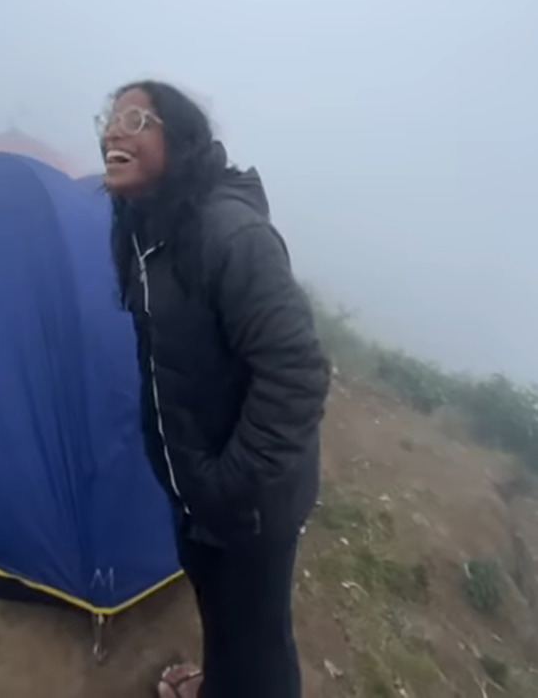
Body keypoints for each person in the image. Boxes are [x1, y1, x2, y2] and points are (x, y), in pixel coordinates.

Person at [98, 81, 330, 698]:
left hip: (247, 501)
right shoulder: (145, 229)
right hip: (197, 488)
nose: (112, 131)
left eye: (136, 118)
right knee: (223, 616)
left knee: (261, 643)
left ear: (180, 140)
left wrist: (227, 486)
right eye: (109, 118)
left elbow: (297, 374)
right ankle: (218, 683)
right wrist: (192, 485)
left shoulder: (229, 235)